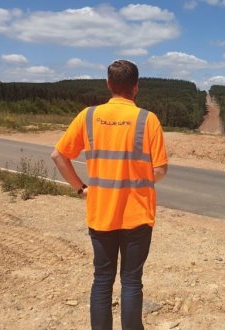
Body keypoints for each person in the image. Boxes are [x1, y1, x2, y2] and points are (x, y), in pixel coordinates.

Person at [51, 59, 168, 330]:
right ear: (136, 87)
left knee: (102, 280)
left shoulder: (88, 116)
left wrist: (80, 188)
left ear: (108, 84)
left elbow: (58, 155)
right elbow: (160, 170)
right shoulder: (147, 120)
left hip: (101, 212)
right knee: (131, 281)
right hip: (137, 215)